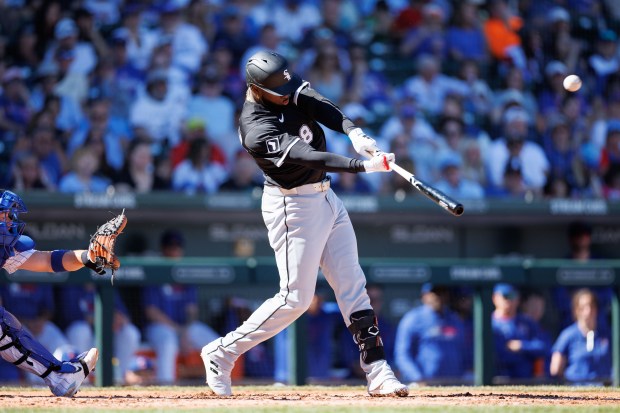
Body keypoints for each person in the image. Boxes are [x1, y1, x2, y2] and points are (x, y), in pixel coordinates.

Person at [201, 50, 408, 398]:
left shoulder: (282, 84)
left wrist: (353, 131)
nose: (287, 91)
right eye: (278, 89)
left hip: (326, 196)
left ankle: (377, 369)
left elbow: (317, 103)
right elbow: (306, 155)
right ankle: (221, 352)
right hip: (292, 204)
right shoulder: (255, 127)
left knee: (352, 284)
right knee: (296, 299)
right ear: (256, 88)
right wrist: (362, 167)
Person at [0, 189, 100, 396]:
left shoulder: (6, 248)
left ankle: (59, 377)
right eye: (5, 214)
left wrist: (86, 256)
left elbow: (48, 261)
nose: (11, 220)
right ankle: (59, 377)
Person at [142, 229, 219, 384]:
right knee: (168, 342)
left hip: (183, 327)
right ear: (163, 249)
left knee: (215, 343)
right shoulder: (154, 272)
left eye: (177, 247)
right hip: (159, 327)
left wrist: (185, 331)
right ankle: (165, 387)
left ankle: (217, 382)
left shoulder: (185, 273)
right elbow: (151, 311)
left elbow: (192, 310)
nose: (174, 251)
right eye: (171, 247)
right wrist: (179, 332)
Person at [394, 283, 467, 385]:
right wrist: (418, 378)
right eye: (435, 293)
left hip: (455, 381)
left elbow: (464, 350)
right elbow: (402, 355)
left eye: (442, 293)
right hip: (425, 383)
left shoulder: (455, 319)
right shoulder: (413, 319)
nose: (439, 297)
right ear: (424, 296)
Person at [550, 289, 611, 385]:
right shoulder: (568, 335)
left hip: (602, 389)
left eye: (591, 306)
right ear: (576, 310)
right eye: (583, 307)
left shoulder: (606, 334)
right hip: (576, 390)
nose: (588, 311)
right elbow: (555, 368)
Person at [491, 283, 549, 380]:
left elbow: (543, 347)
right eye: (505, 296)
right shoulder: (489, 323)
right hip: (499, 377)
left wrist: (522, 346)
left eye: (513, 296)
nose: (510, 300)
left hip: (526, 378)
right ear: (495, 298)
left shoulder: (527, 322)